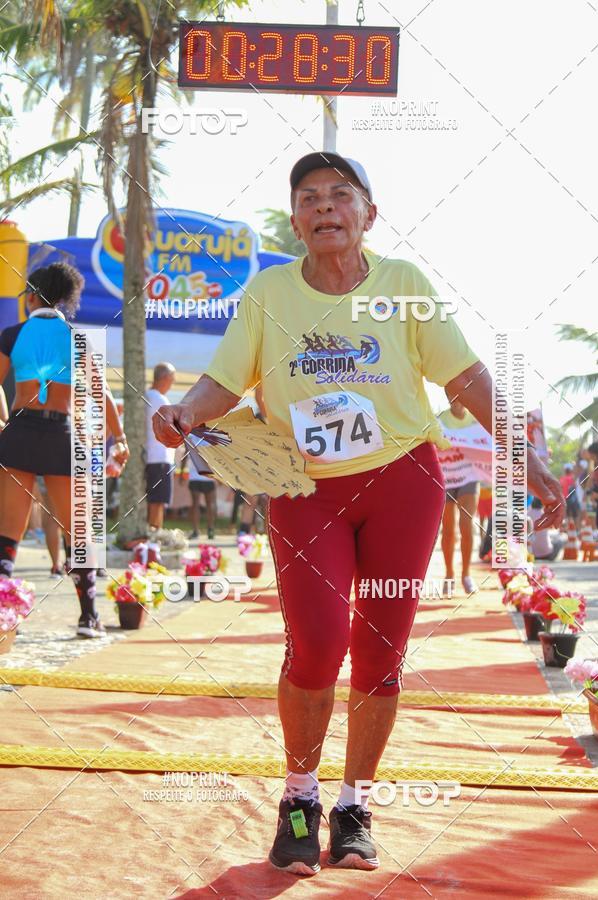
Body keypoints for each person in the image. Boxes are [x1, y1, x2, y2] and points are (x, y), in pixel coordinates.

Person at [152, 152, 565, 877]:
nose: (325, 207)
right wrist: (186, 409)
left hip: (403, 483)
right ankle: (299, 798)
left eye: (340, 195)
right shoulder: (268, 292)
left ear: (369, 213)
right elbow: (223, 380)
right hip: (304, 489)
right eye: (309, 198)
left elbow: (466, 377)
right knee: (315, 646)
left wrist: (526, 458)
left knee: (380, 651)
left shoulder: (403, 285)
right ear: (294, 221)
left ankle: (354, 806)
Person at [0, 262, 129, 636]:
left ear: (31, 296)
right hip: (62, 435)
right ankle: (89, 617)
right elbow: (102, 394)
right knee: (78, 531)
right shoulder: (76, 337)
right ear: (62, 299)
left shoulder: (12, 334)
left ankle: (4, 618)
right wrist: (119, 438)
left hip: (19, 433)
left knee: (8, 534)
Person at [438, 392, 481, 595]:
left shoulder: (476, 421)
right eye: (452, 397)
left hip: (469, 477)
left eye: (460, 397)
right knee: (448, 530)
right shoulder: (440, 420)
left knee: (466, 524)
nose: (456, 401)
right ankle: (449, 575)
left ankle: (466, 575)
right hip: (446, 478)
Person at [145, 362, 176, 529]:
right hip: (160, 457)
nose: (173, 383)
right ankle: (154, 535)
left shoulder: (146, 396)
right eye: (172, 379)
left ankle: (153, 533)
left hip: (150, 456)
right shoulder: (160, 399)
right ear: (164, 378)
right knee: (158, 501)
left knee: (154, 499)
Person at [182, 435, 217, 540]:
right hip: (208, 476)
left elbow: (185, 455)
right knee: (210, 504)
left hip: (194, 476)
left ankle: (195, 531)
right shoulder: (210, 437)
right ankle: (210, 529)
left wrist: (182, 472)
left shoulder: (190, 437)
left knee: (195, 504)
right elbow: (216, 458)